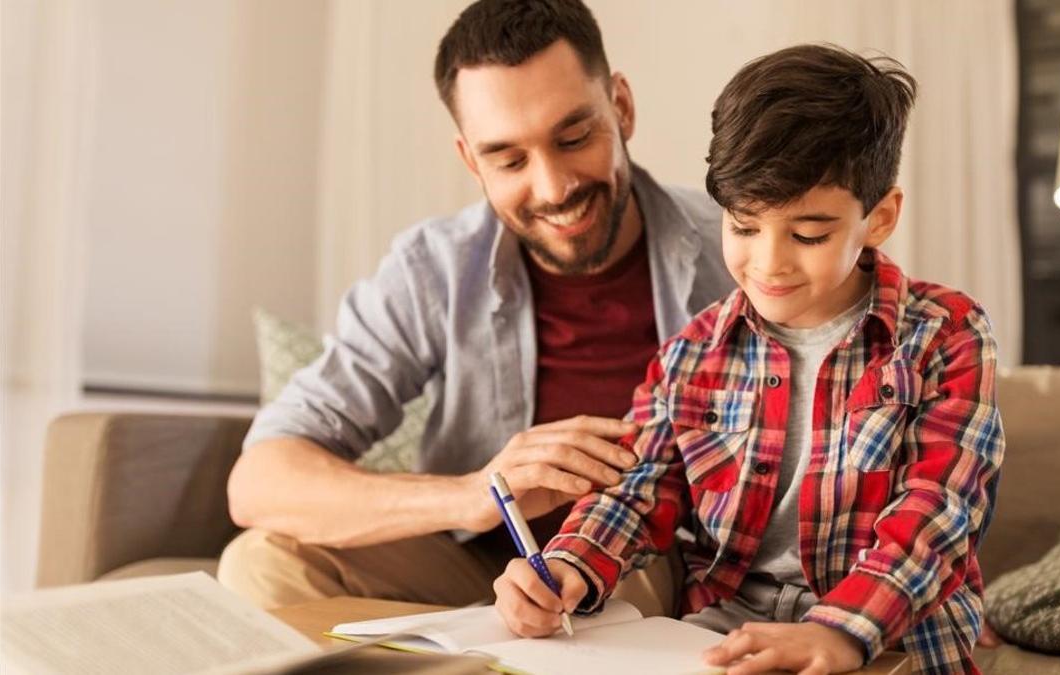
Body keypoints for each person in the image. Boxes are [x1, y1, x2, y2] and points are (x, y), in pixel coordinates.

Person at [492, 43, 1006, 675]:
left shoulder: (945, 334)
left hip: (891, 640)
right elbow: (637, 492)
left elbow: (940, 513)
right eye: (743, 226)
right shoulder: (691, 354)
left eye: (809, 234)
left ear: (879, 218)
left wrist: (840, 633)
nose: (768, 263)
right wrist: (569, 565)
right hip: (722, 637)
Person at [217, 0, 733, 612]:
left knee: (635, 585)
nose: (553, 187)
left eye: (574, 137)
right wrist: (474, 495)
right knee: (262, 563)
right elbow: (259, 482)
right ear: (470, 160)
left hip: (645, 565)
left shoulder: (742, 250)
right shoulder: (433, 270)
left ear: (620, 107)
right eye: (509, 159)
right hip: (477, 570)